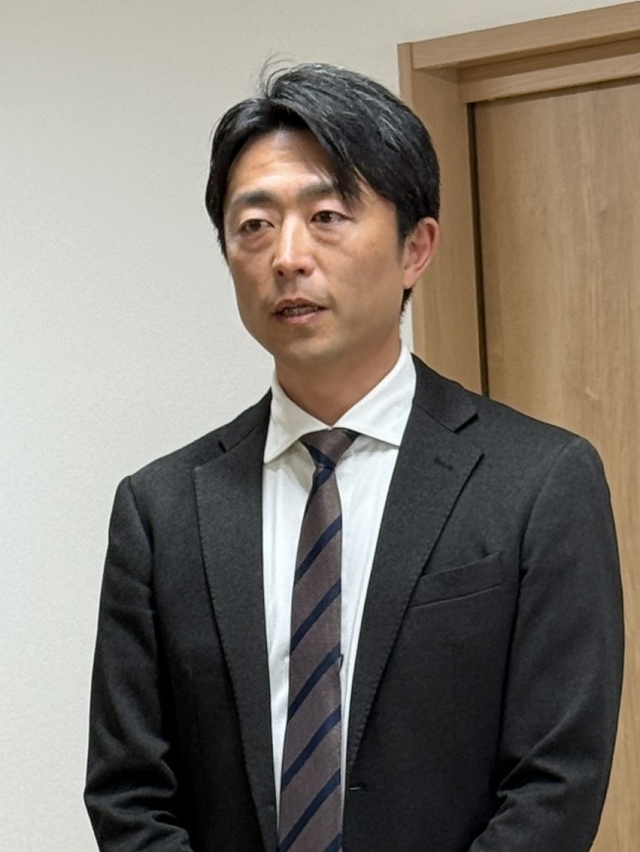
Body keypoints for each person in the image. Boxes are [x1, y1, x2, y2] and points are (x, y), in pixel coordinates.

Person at [85, 64, 624, 852]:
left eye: (328, 216)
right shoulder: (161, 509)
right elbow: (130, 792)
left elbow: (556, 783)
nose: (287, 256)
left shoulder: (540, 482)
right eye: (254, 225)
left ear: (416, 248)